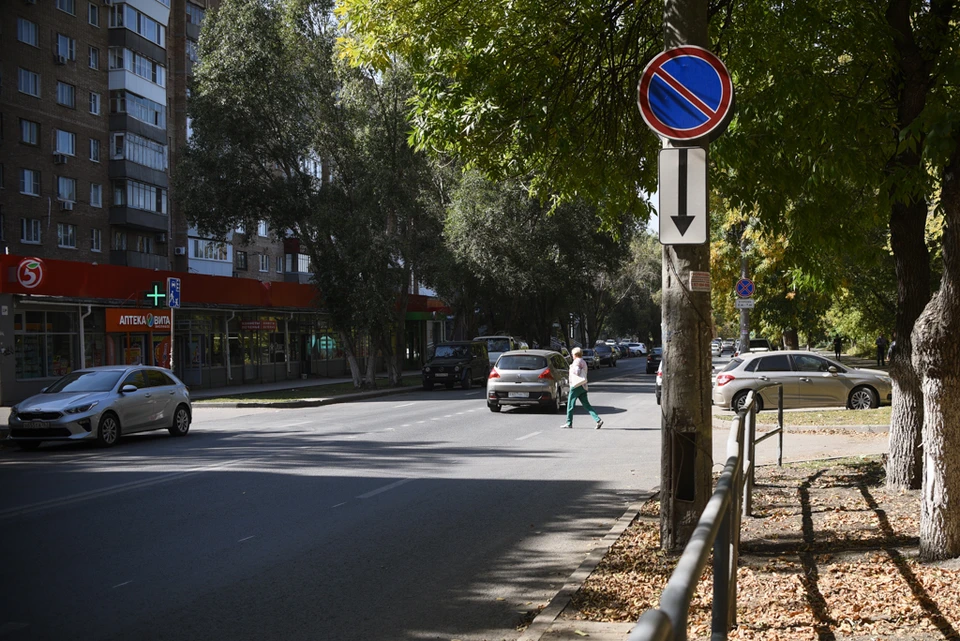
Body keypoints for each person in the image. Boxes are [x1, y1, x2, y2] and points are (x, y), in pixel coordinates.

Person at [563, 347, 603, 429]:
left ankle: (569, 422)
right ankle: (598, 420)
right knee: (587, 405)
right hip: (583, 385)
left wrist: (571, 368)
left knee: (570, 405)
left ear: (575, 354)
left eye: (572, 354)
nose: (572, 355)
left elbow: (577, 372)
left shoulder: (576, 361)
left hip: (576, 386)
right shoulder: (583, 361)